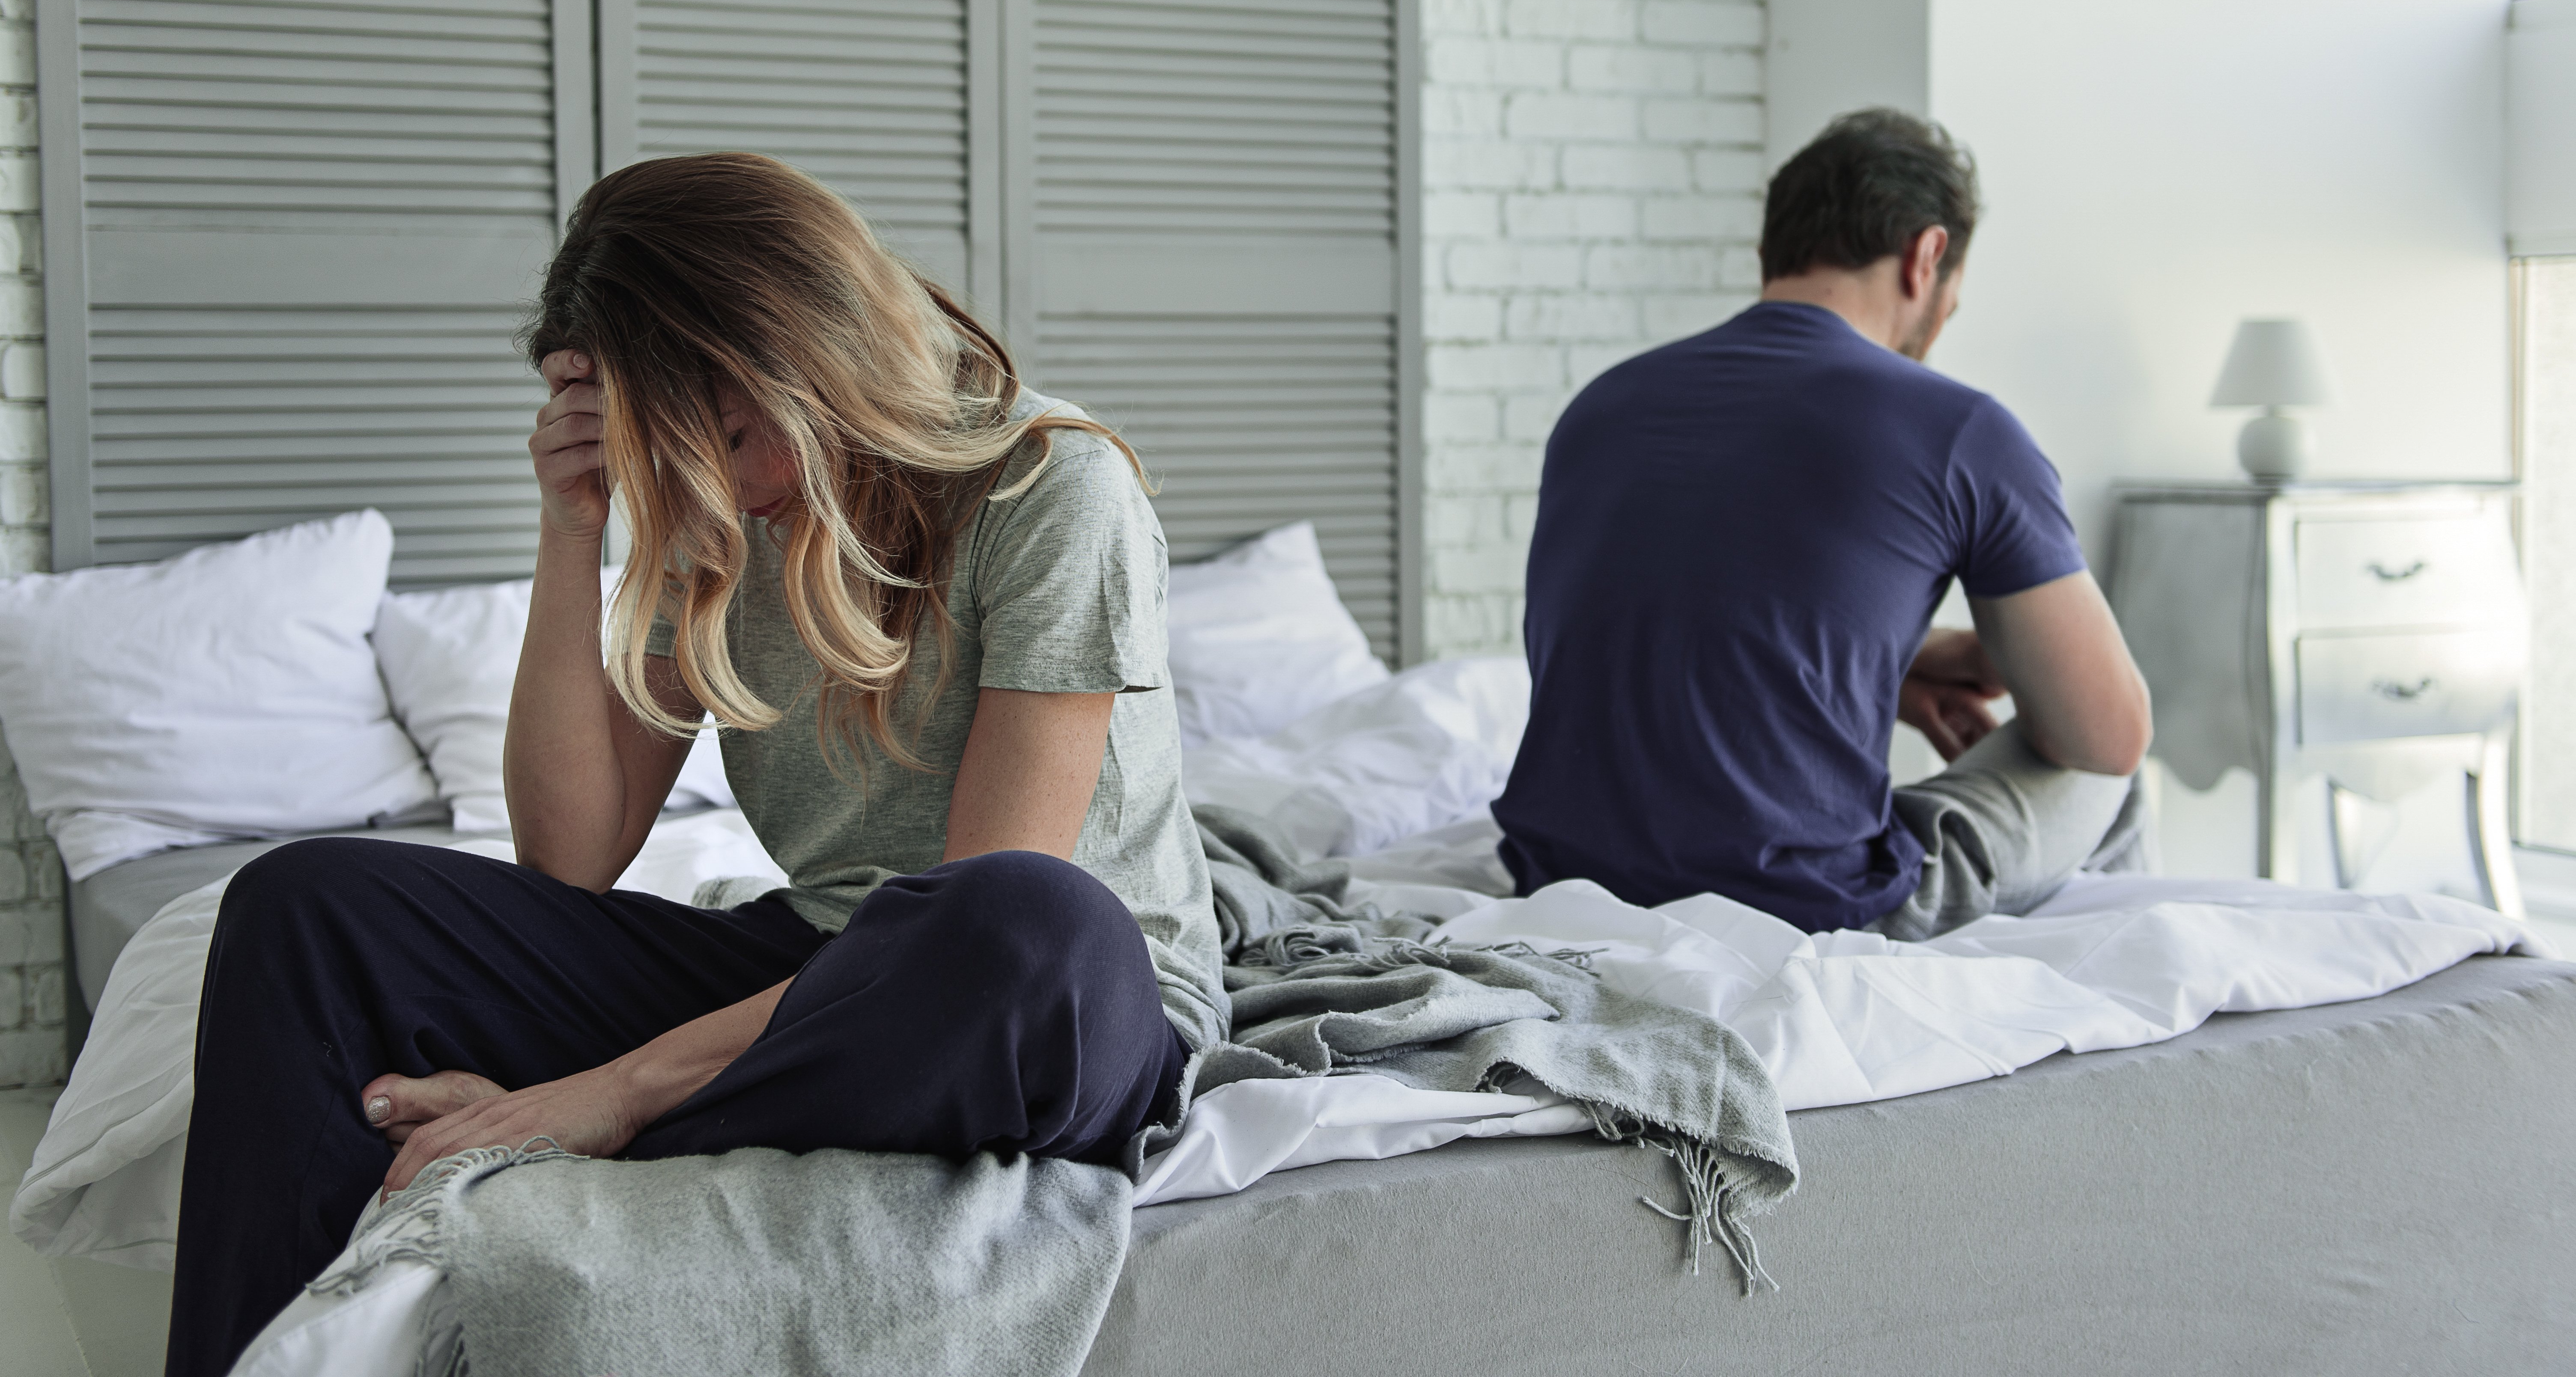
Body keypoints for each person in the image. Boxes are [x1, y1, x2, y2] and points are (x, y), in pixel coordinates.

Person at [164, 154, 1226, 1377]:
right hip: (823, 969)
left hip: (1058, 1004)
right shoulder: (717, 513)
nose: (713, 482)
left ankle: (594, 1121)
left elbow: (979, 912)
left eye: (724, 433)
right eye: (674, 450)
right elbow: (574, 853)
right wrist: (574, 528)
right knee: (302, 911)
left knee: (1022, 922)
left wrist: (610, 1090)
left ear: (808, 347)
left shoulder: (1052, 487)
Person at [1491, 109, 2153, 939]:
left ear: (1774, 250)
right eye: (1952, 300)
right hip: (1799, 909)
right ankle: (2124, 1001)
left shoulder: (1601, 405)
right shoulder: (1958, 429)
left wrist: (1889, 661)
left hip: (1563, 882)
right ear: (1926, 257)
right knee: (2115, 774)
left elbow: (1668, 607)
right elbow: (2107, 735)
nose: (1943, 322)